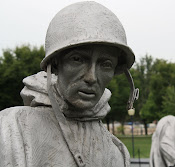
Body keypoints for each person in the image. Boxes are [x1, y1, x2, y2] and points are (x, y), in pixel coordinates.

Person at [0, 2, 139, 167]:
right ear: (56, 64)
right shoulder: (13, 128)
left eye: (106, 64)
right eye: (78, 59)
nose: (91, 77)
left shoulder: (116, 153)